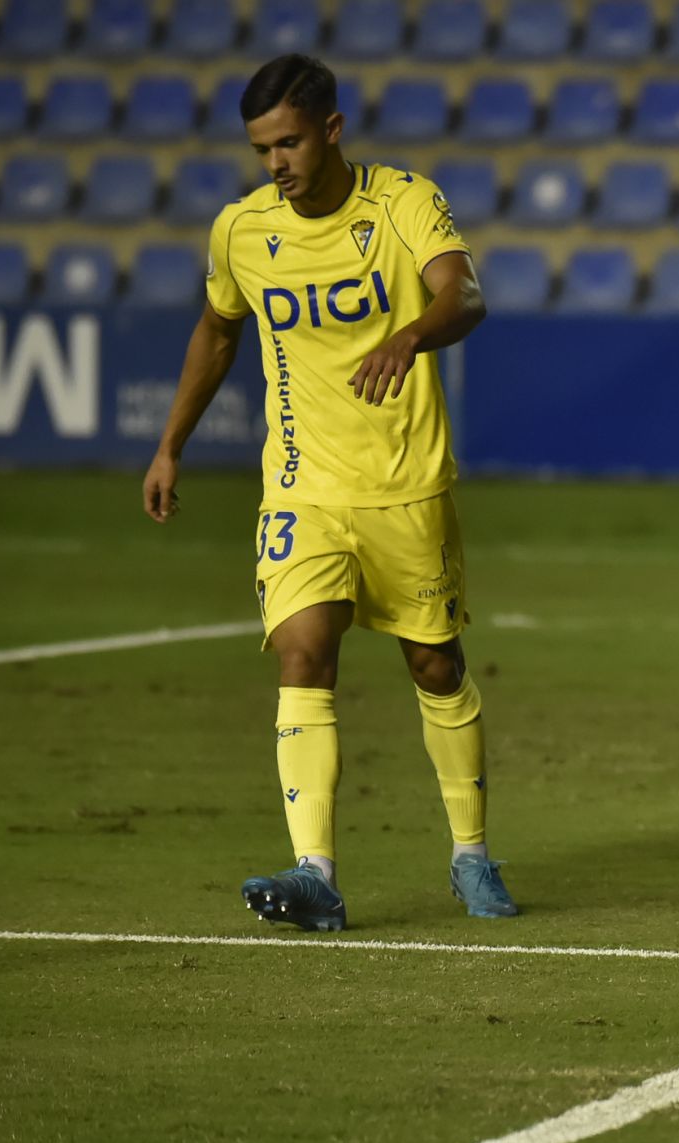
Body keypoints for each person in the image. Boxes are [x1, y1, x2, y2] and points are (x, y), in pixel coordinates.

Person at [140, 54, 515, 931]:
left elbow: (464, 294)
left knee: (435, 664)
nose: (276, 163)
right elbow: (218, 332)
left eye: (290, 142)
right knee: (303, 653)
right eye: (262, 149)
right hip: (301, 487)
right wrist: (169, 445)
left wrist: (410, 337)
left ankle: (471, 855)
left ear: (331, 130)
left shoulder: (402, 203)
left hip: (407, 485)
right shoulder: (241, 231)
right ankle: (316, 873)